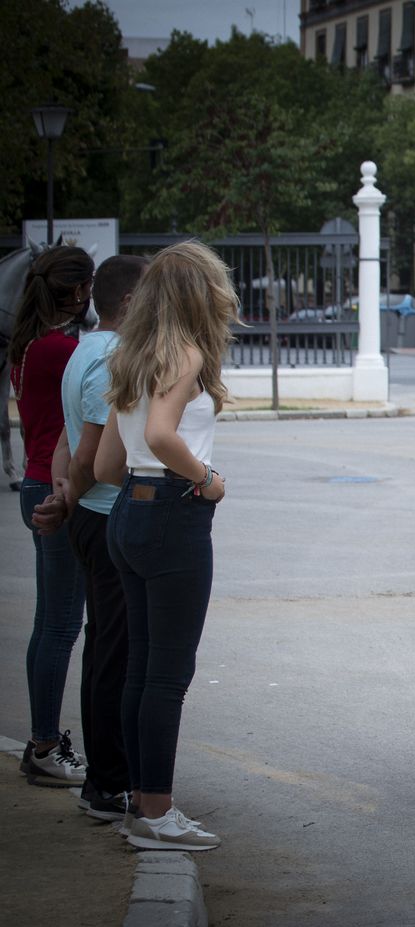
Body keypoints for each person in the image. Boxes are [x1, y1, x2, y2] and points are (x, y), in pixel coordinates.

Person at [94, 241, 231, 852]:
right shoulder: (186, 354)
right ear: (199, 296)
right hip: (173, 517)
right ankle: (157, 810)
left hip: (129, 512)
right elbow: (158, 434)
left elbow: (106, 463)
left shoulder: (130, 356)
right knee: (168, 676)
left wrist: (152, 477)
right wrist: (206, 480)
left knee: (141, 672)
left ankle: (138, 802)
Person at [38, 255, 148, 822]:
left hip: (89, 512)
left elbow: (64, 435)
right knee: (116, 655)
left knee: (105, 646)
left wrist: (62, 496)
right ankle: (108, 783)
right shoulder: (112, 358)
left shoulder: (83, 348)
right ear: (129, 304)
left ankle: (106, 779)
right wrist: (69, 497)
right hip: (105, 514)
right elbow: (90, 454)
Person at [11, 245, 92, 787]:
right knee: (61, 627)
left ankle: (40, 739)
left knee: (49, 625)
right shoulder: (62, 349)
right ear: (82, 291)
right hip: (56, 491)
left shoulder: (29, 345)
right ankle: (43, 745)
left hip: (36, 481)